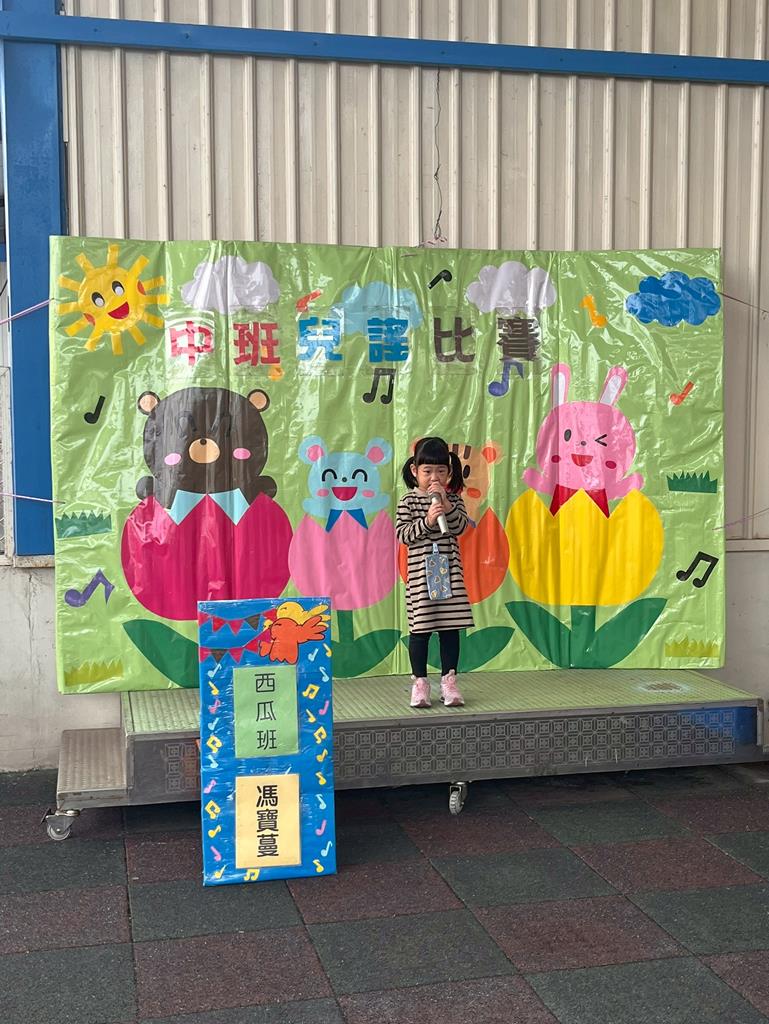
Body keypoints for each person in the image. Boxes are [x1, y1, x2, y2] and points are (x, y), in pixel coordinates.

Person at [395, 436, 474, 708]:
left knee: (450, 629)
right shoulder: (408, 501)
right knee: (421, 630)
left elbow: (460, 527)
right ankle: (420, 684)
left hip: (449, 575)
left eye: (440, 471)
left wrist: (446, 507)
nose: (434, 477)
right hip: (421, 578)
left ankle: (449, 682)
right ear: (414, 470)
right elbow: (403, 535)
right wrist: (428, 520)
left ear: (449, 473)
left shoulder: (454, 500)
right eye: (427, 471)